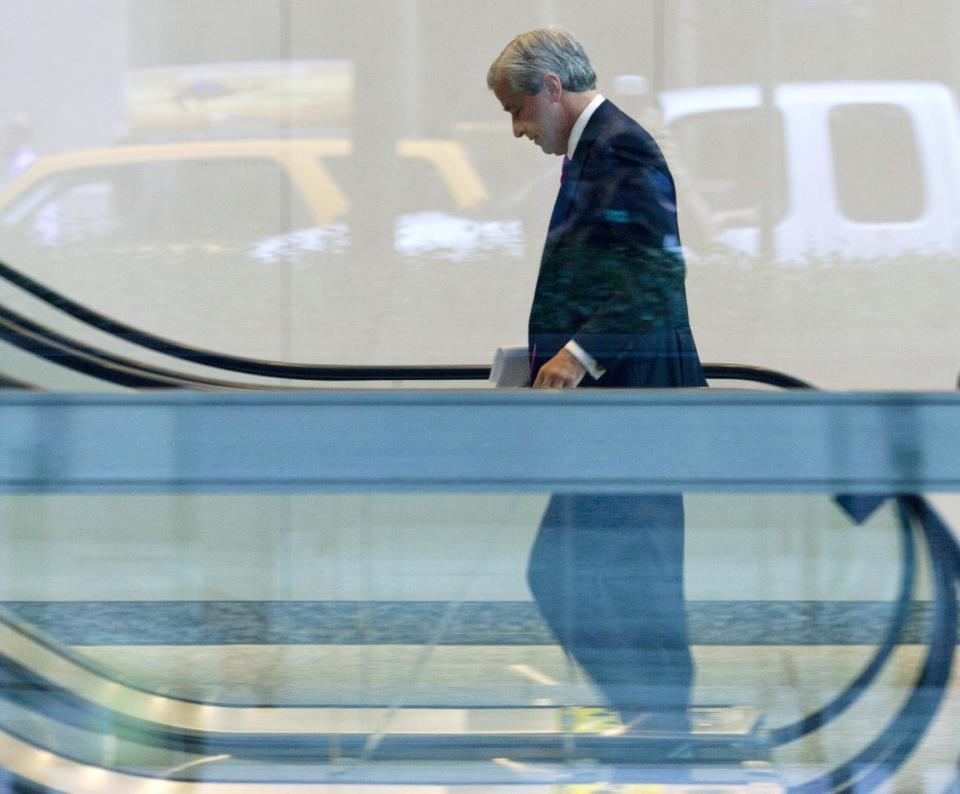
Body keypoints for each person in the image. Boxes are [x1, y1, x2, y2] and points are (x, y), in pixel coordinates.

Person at [487, 28, 706, 732]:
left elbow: (655, 275)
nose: (517, 129)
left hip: (633, 410)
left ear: (552, 87)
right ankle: (656, 720)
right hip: (619, 412)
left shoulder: (620, 145)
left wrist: (578, 353)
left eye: (516, 109)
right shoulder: (602, 147)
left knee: (582, 572)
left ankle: (659, 721)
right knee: (616, 572)